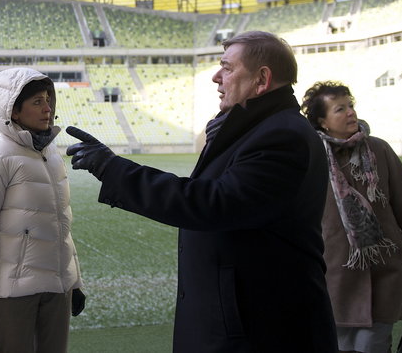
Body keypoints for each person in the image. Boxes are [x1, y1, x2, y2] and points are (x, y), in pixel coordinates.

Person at [66, 30, 336, 353]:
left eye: (227, 67)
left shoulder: (281, 135)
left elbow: (213, 203)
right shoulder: (257, 128)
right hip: (246, 323)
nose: (216, 77)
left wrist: (113, 170)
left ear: (262, 79)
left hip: (262, 331)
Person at [301, 81, 402, 353]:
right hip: (333, 278)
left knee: (374, 345)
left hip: (384, 274)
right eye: (340, 109)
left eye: (351, 106)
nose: (351, 113)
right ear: (322, 121)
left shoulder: (380, 150)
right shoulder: (310, 157)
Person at [0, 67, 85, 353]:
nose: (48, 109)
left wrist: (74, 281)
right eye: (37, 102)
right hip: (12, 296)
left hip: (57, 290)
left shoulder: (51, 156)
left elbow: (61, 225)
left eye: (48, 100)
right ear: (13, 111)